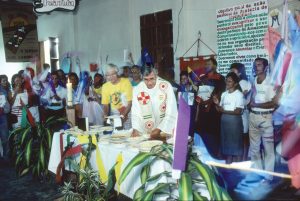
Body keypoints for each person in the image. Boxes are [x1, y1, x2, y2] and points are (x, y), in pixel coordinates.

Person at [249, 57, 276, 183]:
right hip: (253, 117)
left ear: (265, 67)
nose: (256, 67)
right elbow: (253, 97)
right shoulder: (254, 79)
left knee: (268, 149)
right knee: (254, 149)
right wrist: (251, 104)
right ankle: (258, 174)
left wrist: (257, 105)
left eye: (259, 65)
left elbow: (274, 104)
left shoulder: (271, 82)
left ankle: (268, 176)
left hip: (266, 118)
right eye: (255, 65)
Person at [131, 67, 178, 140]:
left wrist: (159, 129)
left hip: (163, 131)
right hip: (146, 132)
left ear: (156, 75)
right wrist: (136, 128)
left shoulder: (166, 86)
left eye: (152, 79)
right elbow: (135, 112)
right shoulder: (137, 89)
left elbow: (172, 110)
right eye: (146, 79)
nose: (149, 83)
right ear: (142, 77)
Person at [194, 58, 226, 158]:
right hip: (202, 112)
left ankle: (215, 157)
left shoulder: (221, 78)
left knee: (213, 136)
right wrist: (198, 98)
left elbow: (220, 93)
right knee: (202, 135)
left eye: (209, 64)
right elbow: (198, 93)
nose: (206, 66)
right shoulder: (202, 78)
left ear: (215, 66)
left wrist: (209, 101)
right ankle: (203, 156)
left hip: (213, 111)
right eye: (206, 64)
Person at [213, 72, 244, 164]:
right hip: (224, 123)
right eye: (226, 81)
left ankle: (238, 169)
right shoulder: (224, 94)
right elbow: (219, 109)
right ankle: (229, 167)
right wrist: (216, 103)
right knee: (227, 149)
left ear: (235, 83)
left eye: (230, 81)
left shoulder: (239, 95)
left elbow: (238, 111)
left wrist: (224, 111)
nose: (227, 83)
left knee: (236, 148)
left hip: (234, 124)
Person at [230, 63, 252, 160]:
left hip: (242, 113)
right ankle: (237, 159)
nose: (231, 73)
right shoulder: (231, 83)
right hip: (233, 113)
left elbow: (244, 97)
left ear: (240, 72)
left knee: (244, 137)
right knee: (235, 138)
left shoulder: (244, 82)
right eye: (230, 71)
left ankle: (244, 159)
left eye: (233, 71)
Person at [101, 63, 132, 129]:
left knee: (128, 132)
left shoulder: (126, 82)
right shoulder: (105, 86)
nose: (111, 77)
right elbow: (105, 105)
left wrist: (123, 115)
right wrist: (105, 114)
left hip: (127, 111)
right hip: (115, 113)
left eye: (113, 74)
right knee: (116, 134)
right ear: (105, 76)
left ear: (117, 73)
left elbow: (129, 103)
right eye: (108, 75)